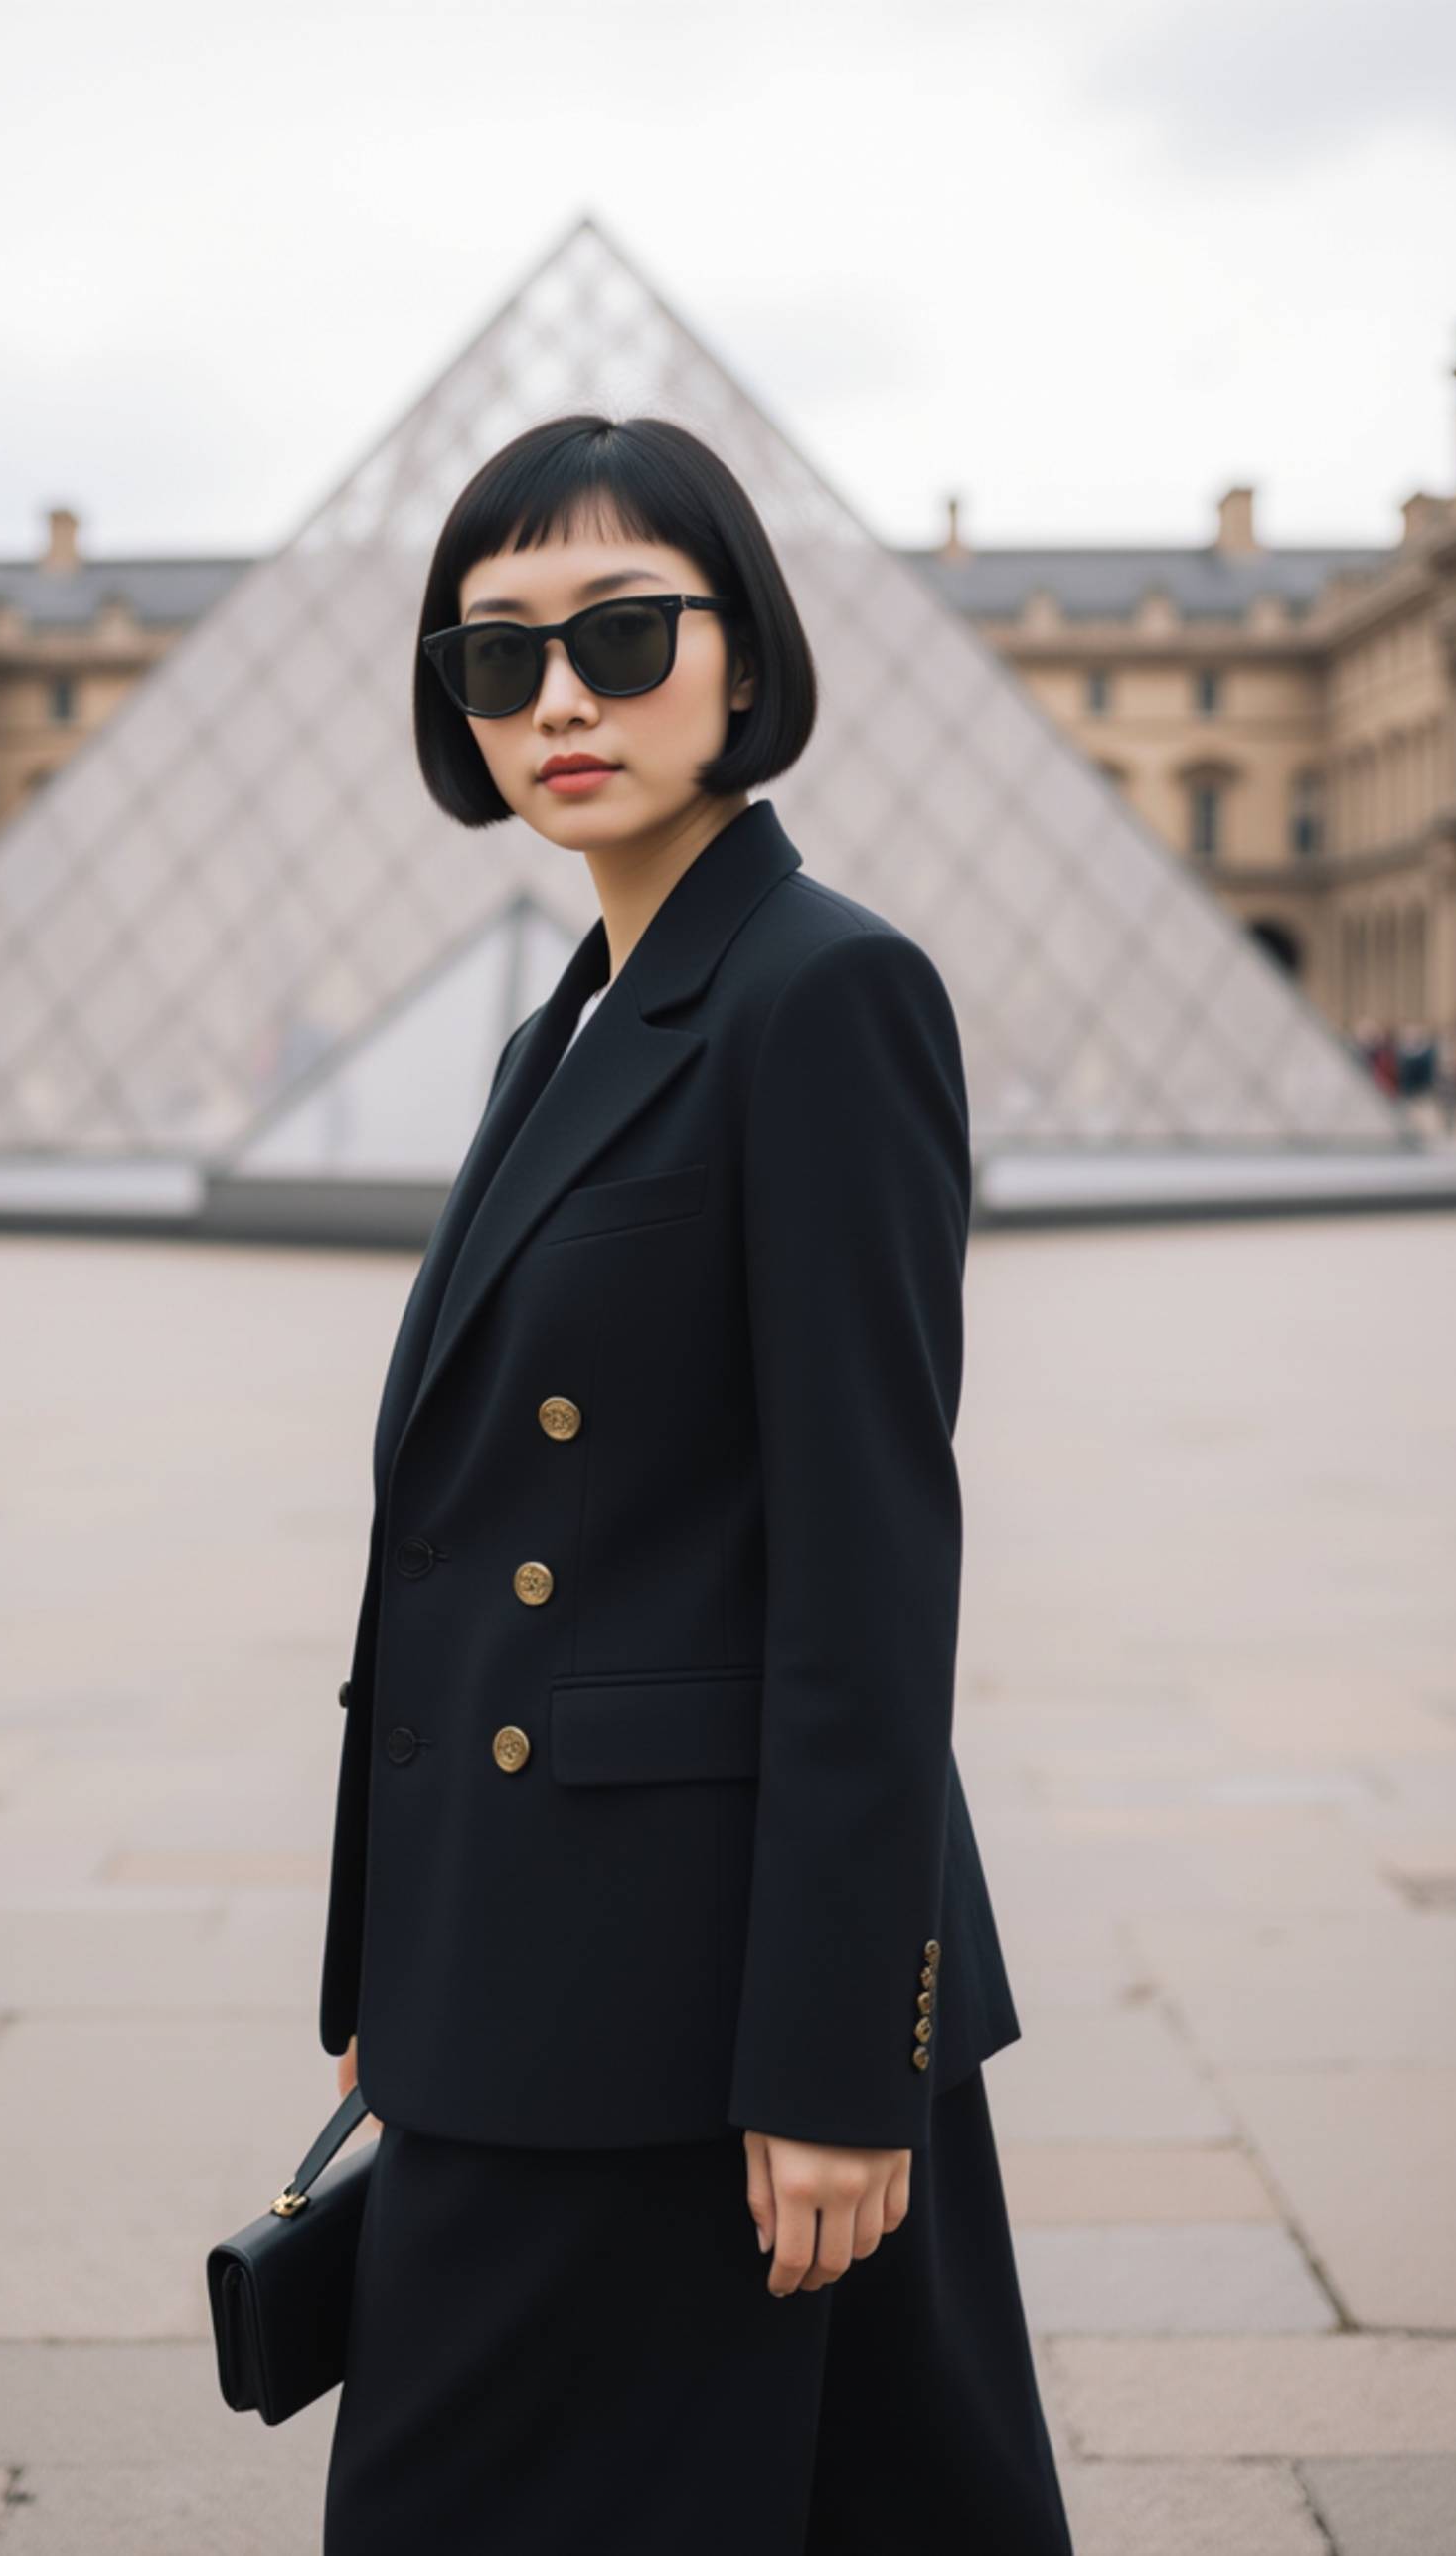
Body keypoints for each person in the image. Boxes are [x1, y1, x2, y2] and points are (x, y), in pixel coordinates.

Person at [317, 413, 1073, 2556]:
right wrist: (396, 1943)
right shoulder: (568, 1014)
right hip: (521, 1960)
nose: (558, 698)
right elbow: (445, 1545)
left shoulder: (821, 992)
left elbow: (866, 1563)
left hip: (701, 2010)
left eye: (623, 634)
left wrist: (838, 2062)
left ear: (742, 658)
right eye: (495, 658)